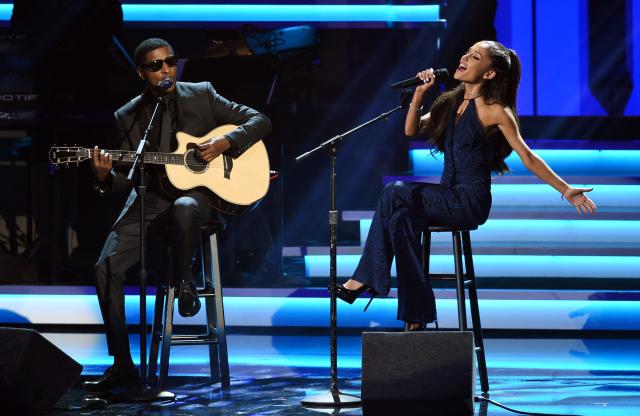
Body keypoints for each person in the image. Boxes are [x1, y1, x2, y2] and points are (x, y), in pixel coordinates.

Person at [333, 40, 596, 331]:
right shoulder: (450, 102)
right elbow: (411, 130)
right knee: (399, 220)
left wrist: (565, 189)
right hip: (446, 196)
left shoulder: (496, 111)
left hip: (468, 202)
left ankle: (364, 280)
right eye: (466, 53)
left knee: (393, 191)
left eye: (475, 57)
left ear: (489, 73)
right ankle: (416, 316)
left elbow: (528, 157)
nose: (464, 58)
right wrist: (420, 93)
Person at [83, 38, 271, 391]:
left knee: (186, 206)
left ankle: (185, 279)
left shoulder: (202, 93)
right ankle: (123, 365)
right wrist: (104, 178)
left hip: (199, 197)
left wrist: (224, 143)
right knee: (105, 268)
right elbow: (127, 180)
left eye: (169, 62)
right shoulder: (128, 115)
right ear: (141, 72)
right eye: (155, 66)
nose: (165, 70)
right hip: (150, 199)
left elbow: (260, 120)